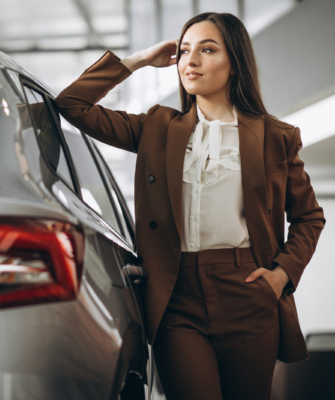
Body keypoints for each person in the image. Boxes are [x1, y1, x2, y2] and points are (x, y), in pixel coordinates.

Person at [55, 12, 325, 400]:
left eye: (207, 49)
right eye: (184, 51)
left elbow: (308, 216)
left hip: (249, 292)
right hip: (176, 297)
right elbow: (72, 103)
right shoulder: (157, 128)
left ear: (234, 64)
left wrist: (282, 274)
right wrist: (140, 59)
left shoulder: (274, 136)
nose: (190, 60)